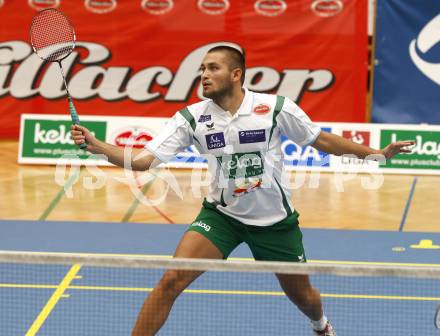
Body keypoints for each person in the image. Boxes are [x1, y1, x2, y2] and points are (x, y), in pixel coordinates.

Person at [71, 45, 414, 336]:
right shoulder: (191, 118)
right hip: (222, 217)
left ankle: (321, 325)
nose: (204, 74)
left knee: (304, 297)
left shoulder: (275, 108)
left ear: (236, 75)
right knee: (172, 279)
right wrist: (97, 145)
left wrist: (376, 154)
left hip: (275, 224)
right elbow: (144, 161)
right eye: (202, 68)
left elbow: (321, 140)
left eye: (213, 68)